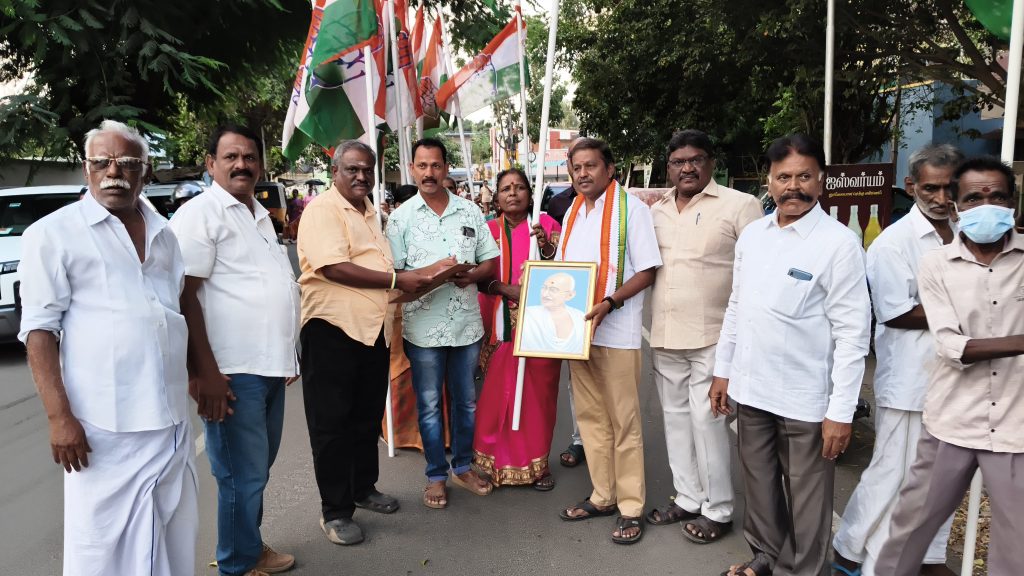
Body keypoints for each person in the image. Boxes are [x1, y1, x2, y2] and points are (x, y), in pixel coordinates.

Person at [19, 120, 197, 575]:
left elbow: (177, 307)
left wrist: (201, 374)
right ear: (86, 169)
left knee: (172, 536)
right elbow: (39, 331)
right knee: (101, 548)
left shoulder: (164, 232)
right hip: (103, 427)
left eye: (127, 163)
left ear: (145, 172)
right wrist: (59, 417)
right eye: (102, 162)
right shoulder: (53, 234)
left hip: (170, 418)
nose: (113, 171)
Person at [711, 134, 871, 576]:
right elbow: (737, 307)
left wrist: (840, 412)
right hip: (751, 389)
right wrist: (723, 371)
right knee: (759, 486)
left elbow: (853, 335)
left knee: (807, 499)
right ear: (769, 181)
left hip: (805, 400)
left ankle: (804, 571)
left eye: (804, 177)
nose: (793, 187)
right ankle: (767, 557)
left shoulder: (838, 244)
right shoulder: (753, 236)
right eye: (784, 177)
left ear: (821, 180)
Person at [875, 156, 1024, 575]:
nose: (986, 205)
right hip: (951, 422)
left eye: (997, 196)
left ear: (1013, 203)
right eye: (974, 198)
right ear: (958, 207)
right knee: (912, 527)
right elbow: (950, 344)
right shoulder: (937, 263)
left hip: (1015, 426)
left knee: (1017, 544)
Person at [170, 124, 299, 576]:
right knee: (239, 476)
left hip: (267, 366)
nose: (241, 164)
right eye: (230, 157)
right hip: (230, 369)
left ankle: (249, 546)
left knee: (256, 470)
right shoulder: (200, 214)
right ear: (211, 164)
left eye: (249, 157)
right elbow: (182, 295)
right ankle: (236, 565)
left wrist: (287, 353)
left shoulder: (257, 213)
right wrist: (201, 371)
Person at [831, 144, 963, 576]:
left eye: (949, 188)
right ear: (911, 186)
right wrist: (966, 307)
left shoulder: (965, 230)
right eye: (931, 188)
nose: (941, 198)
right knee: (892, 471)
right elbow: (897, 312)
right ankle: (849, 549)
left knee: (942, 477)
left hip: (959, 378)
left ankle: (930, 556)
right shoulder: (894, 242)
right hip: (910, 378)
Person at [297, 141, 432, 546]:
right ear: (334, 171)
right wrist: (397, 280)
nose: (360, 177)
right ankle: (335, 512)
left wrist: (425, 278)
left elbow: (381, 268)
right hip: (333, 329)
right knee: (331, 425)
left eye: (366, 170)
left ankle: (362, 488)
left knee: (366, 417)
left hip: (373, 330)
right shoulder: (323, 209)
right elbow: (333, 267)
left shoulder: (371, 212)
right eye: (352, 169)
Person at [646, 130, 762, 543]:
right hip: (665, 334)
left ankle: (719, 508)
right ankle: (688, 497)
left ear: (712, 162)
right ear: (669, 168)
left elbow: (757, 273)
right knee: (675, 421)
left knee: (708, 423)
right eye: (679, 162)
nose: (688, 168)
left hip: (715, 337)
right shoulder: (657, 211)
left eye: (696, 159)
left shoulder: (740, 206)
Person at [556, 137, 662, 546]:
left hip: (617, 332)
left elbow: (647, 270)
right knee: (591, 419)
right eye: (576, 167)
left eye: (591, 166)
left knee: (623, 421)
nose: (582, 174)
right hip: (578, 334)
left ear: (610, 168)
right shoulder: (572, 213)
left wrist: (610, 302)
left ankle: (631, 506)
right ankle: (603, 495)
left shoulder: (631, 210)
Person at [386, 138, 499, 509]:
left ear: (446, 168)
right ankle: (436, 475)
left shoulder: (470, 211)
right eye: (422, 166)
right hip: (423, 327)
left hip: (466, 325)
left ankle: (462, 467)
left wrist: (471, 275)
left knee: (466, 402)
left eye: (435, 165)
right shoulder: (400, 218)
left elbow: (489, 261)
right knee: (430, 405)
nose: (429, 173)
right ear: (412, 169)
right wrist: (429, 274)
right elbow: (394, 273)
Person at [472, 168, 562, 490]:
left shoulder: (547, 226)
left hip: (541, 326)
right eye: (506, 188)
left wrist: (546, 248)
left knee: (538, 397)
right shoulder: (487, 231)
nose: (513, 193)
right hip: (499, 326)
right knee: (497, 396)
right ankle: (491, 462)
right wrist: (503, 289)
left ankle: (538, 465)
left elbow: (566, 272)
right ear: (496, 197)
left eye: (520, 187)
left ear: (530, 194)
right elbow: (476, 277)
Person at [518, 273, 587, 354]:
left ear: (570, 295)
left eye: (553, 290)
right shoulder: (529, 314)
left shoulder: (580, 317)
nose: (545, 294)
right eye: (544, 288)